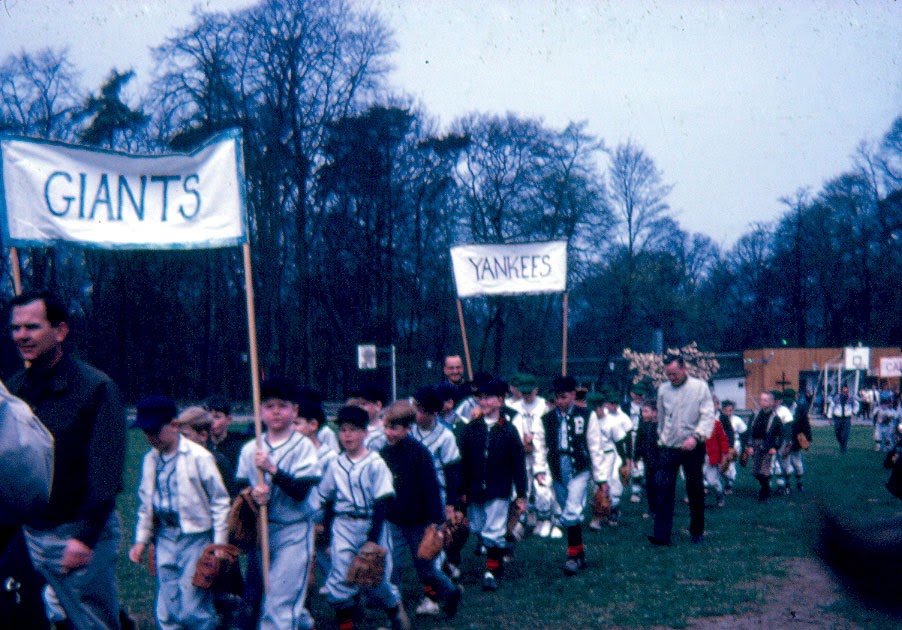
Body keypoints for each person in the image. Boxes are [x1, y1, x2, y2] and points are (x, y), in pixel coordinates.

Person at [8, 290, 126, 629]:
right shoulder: (15, 391)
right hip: (31, 532)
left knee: (92, 622)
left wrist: (84, 538)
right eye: (15, 328)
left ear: (60, 331)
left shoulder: (96, 388)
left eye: (32, 326)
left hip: (77, 532)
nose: (22, 336)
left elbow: (105, 474)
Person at [128, 396, 230, 630]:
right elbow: (146, 503)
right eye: (146, 432)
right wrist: (141, 540)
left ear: (174, 425)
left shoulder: (198, 457)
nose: (150, 437)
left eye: (155, 430)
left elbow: (220, 502)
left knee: (194, 604)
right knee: (168, 604)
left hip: (194, 538)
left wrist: (219, 545)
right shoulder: (150, 460)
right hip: (165, 536)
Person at [235, 377, 322, 630]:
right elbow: (239, 488)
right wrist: (253, 495)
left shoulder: (303, 446)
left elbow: (300, 491)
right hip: (261, 533)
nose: (275, 412)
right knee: (269, 600)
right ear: (259, 411)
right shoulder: (251, 448)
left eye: (282, 406)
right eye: (269, 406)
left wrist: (271, 468)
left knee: (278, 608)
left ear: (294, 411)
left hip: (293, 531)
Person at [316, 405, 409, 630]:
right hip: (343, 524)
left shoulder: (375, 462)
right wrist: (327, 535)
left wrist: (372, 539)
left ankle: (396, 611)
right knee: (339, 578)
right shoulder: (335, 464)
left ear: (365, 433)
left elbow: (383, 503)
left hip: (372, 523)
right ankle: (347, 624)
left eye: (353, 430)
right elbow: (327, 501)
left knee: (376, 578)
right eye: (343, 430)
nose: (347, 435)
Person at [379, 401, 463, 620]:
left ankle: (451, 593)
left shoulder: (419, 453)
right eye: (386, 427)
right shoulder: (384, 453)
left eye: (394, 428)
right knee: (393, 566)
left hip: (419, 521)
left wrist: (436, 522)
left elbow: (431, 489)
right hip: (394, 519)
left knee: (425, 567)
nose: (389, 433)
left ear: (408, 428)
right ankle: (396, 612)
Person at [457, 378, 527, 591]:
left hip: (499, 487)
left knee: (493, 529)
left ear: (500, 400)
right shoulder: (471, 429)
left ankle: (491, 571)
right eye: (481, 398)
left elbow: (518, 463)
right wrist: (461, 489)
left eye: (488, 398)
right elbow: (463, 460)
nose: (484, 402)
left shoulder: (509, 430)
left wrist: (521, 493)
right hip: (475, 488)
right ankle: (501, 549)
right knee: (477, 526)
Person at [534, 376, 604, 575]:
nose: (560, 402)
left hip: (580, 468)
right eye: (557, 398)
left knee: (572, 510)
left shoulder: (586, 415)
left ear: (573, 395)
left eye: (564, 397)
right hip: (558, 468)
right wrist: (540, 469)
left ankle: (572, 557)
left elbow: (595, 446)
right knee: (567, 511)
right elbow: (539, 446)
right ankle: (579, 551)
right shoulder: (546, 419)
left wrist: (601, 479)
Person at [649, 355, 714, 546]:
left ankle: (697, 531)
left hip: (693, 446)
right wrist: (661, 438)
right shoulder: (663, 389)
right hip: (669, 446)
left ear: (684, 368)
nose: (672, 378)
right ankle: (661, 534)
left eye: (675, 374)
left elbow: (708, 415)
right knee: (663, 489)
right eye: (668, 374)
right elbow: (661, 417)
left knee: (694, 489)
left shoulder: (700, 387)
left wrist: (696, 437)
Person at [508, 373, 555, 537]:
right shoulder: (514, 406)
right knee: (521, 487)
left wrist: (533, 438)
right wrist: (522, 440)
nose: (526, 395)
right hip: (521, 451)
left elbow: (548, 430)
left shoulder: (543, 406)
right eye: (523, 392)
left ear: (536, 389)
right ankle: (521, 519)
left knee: (542, 485)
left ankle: (546, 519)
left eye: (530, 392)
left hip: (539, 451)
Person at [744, 391, 784, 503]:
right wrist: (749, 445)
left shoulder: (775, 418)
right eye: (761, 400)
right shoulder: (755, 415)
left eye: (765, 400)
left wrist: (775, 447)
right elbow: (750, 431)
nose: (762, 402)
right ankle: (765, 487)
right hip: (756, 445)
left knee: (765, 470)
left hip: (768, 446)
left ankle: (765, 493)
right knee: (755, 471)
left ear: (772, 402)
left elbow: (780, 435)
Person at [633, 400, 661, 517]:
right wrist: (636, 457)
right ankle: (652, 509)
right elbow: (639, 441)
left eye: (646, 411)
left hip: (660, 460)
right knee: (649, 484)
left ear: (654, 412)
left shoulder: (660, 425)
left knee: (659, 485)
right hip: (647, 459)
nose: (643, 414)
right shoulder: (642, 424)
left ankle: (661, 509)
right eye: (642, 411)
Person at [787, 389, 813, 492]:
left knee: (797, 462)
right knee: (786, 463)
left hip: (797, 437)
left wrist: (808, 438)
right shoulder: (781, 409)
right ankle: (786, 484)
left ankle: (799, 482)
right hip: (785, 438)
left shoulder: (800, 408)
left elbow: (805, 424)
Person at [827, 386, 858, 453]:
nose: (845, 393)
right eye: (844, 392)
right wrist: (829, 417)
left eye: (846, 392)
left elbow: (857, 405)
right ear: (841, 391)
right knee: (837, 433)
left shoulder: (851, 398)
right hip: (838, 417)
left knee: (845, 434)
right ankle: (841, 443)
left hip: (847, 418)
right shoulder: (836, 398)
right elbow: (831, 406)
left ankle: (843, 448)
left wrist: (853, 413)